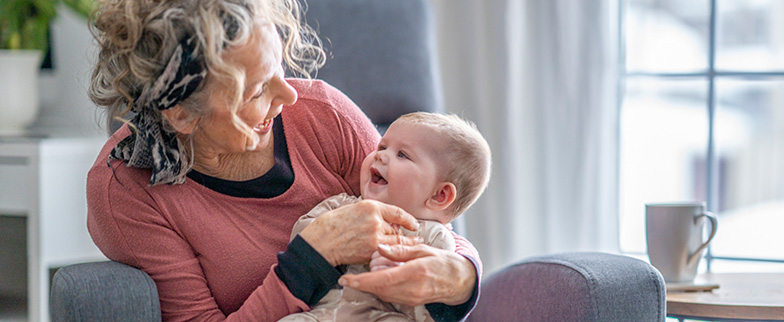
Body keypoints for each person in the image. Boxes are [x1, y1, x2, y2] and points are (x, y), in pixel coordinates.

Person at [85, 0, 482, 321]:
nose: (289, 95)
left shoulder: (323, 113)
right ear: (182, 115)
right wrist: (309, 259)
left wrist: (461, 274)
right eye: (258, 89)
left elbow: (424, 219)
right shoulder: (125, 190)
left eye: (280, 67)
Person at [280, 112, 492, 322]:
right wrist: (332, 236)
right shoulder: (343, 205)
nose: (380, 155)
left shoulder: (434, 241)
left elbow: (430, 313)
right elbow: (300, 239)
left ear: (439, 195)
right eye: (382, 147)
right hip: (323, 315)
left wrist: (400, 279)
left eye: (402, 154)